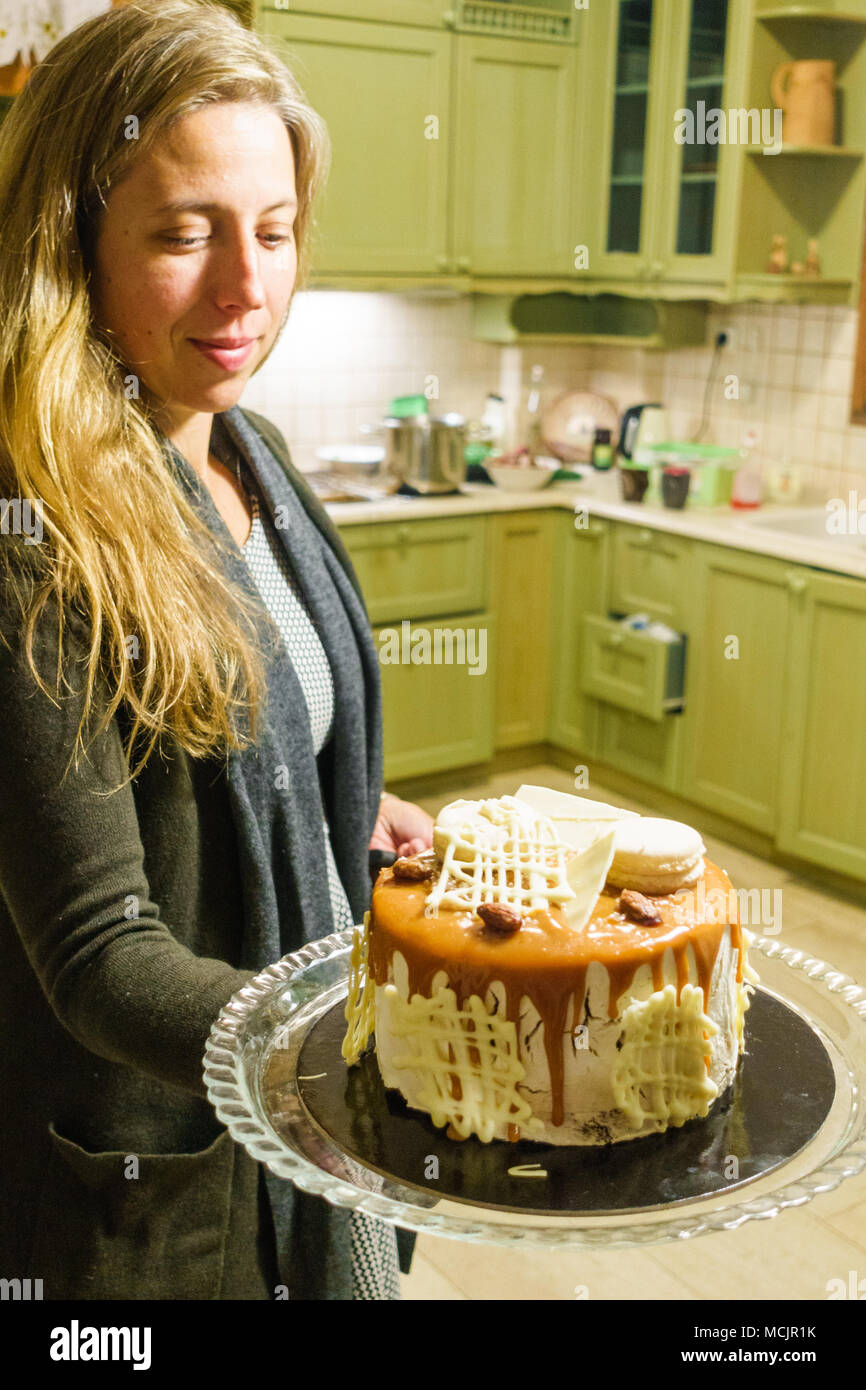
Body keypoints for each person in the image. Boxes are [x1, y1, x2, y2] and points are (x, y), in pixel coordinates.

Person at [0, 0, 432, 1300]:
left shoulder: (247, 449)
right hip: (150, 1160)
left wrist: (350, 815)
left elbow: (261, 745)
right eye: (185, 233)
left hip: (289, 1104)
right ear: (71, 243)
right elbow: (101, 952)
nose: (247, 285)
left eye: (276, 231)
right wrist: (359, 1031)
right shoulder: (37, 534)